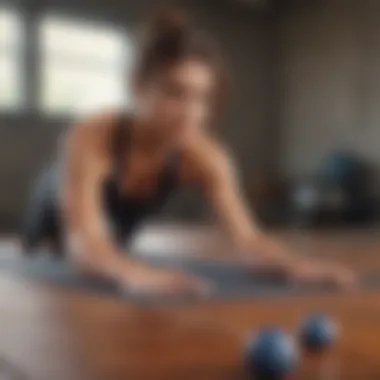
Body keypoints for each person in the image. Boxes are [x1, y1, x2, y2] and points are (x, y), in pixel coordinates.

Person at [23, 10, 355, 296]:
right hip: (50, 238)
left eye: (202, 98)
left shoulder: (206, 157)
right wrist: (133, 273)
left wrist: (294, 265)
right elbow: (84, 241)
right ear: (137, 86)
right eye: (175, 93)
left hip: (113, 243)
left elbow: (247, 237)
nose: (190, 113)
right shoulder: (91, 136)